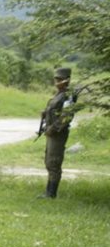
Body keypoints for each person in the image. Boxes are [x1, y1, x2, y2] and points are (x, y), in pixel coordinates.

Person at [39, 66, 77, 199]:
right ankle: (48, 192)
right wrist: (45, 113)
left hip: (58, 133)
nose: (56, 81)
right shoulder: (59, 94)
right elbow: (55, 110)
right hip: (51, 133)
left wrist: (53, 128)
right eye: (56, 79)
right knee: (49, 161)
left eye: (59, 79)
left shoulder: (68, 95)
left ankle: (51, 193)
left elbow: (66, 116)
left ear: (66, 80)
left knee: (54, 162)